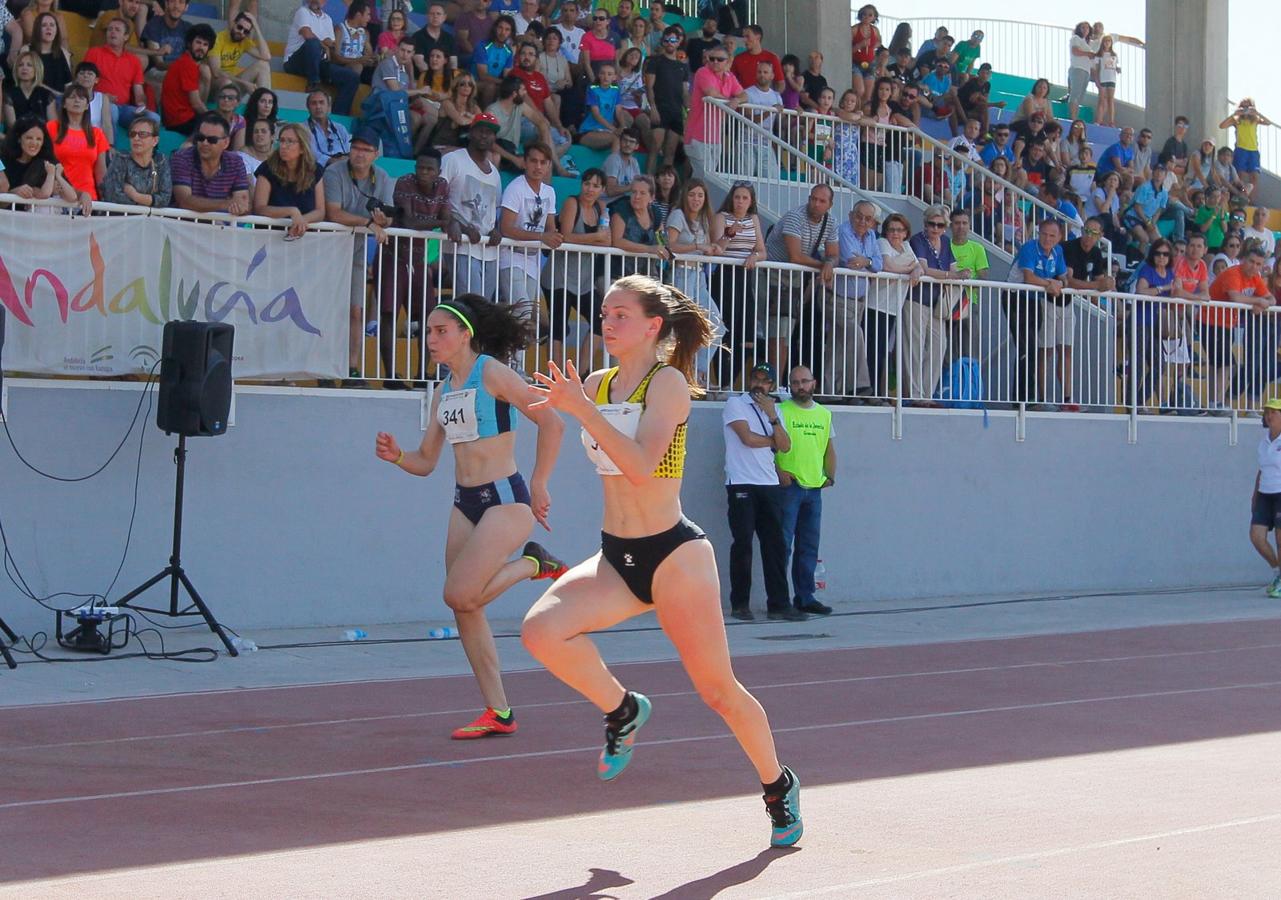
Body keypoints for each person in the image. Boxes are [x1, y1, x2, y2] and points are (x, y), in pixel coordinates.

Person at [521, 276, 802, 847]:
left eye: (620, 314)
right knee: (540, 632)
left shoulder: (667, 383)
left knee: (717, 690)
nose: (607, 323)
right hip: (616, 556)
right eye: (604, 313)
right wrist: (546, 460)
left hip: (674, 556)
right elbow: (566, 422)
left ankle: (778, 785)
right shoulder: (596, 384)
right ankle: (623, 709)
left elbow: (642, 465)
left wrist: (584, 412)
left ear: (653, 326)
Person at [376, 295, 567, 738]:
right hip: (465, 503)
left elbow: (552, 423)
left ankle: (533, 563)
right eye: (427, 331)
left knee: (458, 594)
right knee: (466, 607)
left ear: (466, 335)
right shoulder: (444, 391)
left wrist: (540, 482)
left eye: (441, 331)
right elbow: (426, 461)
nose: (431, 339)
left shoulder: (492, 373)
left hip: (505, 499)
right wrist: (398, 456)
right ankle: (498, 711)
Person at [324, 129, 394, 381]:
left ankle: (351, 368)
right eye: (356, 148)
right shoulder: (334, 172)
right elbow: (333, 213)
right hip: (328, 250)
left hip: (357, 251)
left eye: (366, 150)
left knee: (356, 310)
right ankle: (324, 366)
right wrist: (369, 223)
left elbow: (388, 217)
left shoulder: (382, 177)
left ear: (376, 154)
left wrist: (382, 220)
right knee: (328, 310)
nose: (359, 154)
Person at [377, 148, 451, 386]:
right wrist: (443, 223)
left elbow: (447, 216)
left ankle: (421, 375)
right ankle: (390, 376)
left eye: (429, 169)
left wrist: (455, 224)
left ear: (438, 171)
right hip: (394, 254)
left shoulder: (443, 186)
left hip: (419, 258)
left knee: (429, 317)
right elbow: (409, 221)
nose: (423, 173)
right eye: (420, 167)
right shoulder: (404, 182)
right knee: (389, 313)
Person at [763, 184, 840, 378]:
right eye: (813, 198)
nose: (816, 203)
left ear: (830, 205)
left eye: (822, 201)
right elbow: (795, 256)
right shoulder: (795, 217)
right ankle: (772, 383)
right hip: (772, 274)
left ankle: (778, 382)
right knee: (776, 332)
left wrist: (830, 263)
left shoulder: (830, 222)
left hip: (793, 278)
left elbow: (834, 254)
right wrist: (824, 265)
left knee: (786, 333)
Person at [775, 365, 834, 616]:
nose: (800, 386)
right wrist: (778, 471)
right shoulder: (781, 410)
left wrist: (830, 476)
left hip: (814, 489)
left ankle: (805, 597)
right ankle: (779, 600)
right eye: (795, 382)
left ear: (814, 383)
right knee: (783, 546)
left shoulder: (824, 414)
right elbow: (770, 446)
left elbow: (829, 448)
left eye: (805, 381)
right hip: (790, 488)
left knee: (808, 546)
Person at [543, 166, 610, 364]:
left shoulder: (600, 208)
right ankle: (554, 377)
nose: (590, 189)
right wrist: (595, 237)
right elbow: (566, 237)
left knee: (600, 321)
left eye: (595, 186)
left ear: (602, 190)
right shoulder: (572, 203)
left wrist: (596, 238)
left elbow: (607, 241)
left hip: (583, 280)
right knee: (558, 327)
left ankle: (581, 373)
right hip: (559, 276)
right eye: (587, 183)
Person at [441, 113, 504, 300]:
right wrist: (460, 226)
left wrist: (495, 230)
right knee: (472, 302)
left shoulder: (495, 173)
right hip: (462, 244)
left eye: (489, 132)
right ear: (470, 133)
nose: (484, 135)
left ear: (494, 138)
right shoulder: (453, 159)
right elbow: (440, 197)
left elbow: (494, 210)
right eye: (480, 130)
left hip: (488, 249)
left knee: (484, 306)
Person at [1006, 219, 1067, 406]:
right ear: (1038, 233)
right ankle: (1022, 400)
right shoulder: (1029, 248)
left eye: (1052, 235)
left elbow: (1064, 277)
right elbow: (1029, 278)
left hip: (1034, 301)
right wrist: (1051, 283)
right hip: (1016, 298)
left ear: (1059, 237)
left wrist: (1060, 283)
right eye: (1044, 234)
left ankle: (1029, 399)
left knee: (1033, 348)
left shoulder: (1058, 251)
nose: (1047, 239)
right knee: (1026, 348)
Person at [711, 181, 765, 386]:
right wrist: (729, 233)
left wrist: (754, 256)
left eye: (745, 198)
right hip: (724, 277)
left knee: (745, 331)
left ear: (751, 201)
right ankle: (721, 380)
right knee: (726, 328)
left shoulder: (753, 219)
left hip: (745, 277)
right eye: (737, 197)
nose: (740, 202)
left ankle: (731, 381)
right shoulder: (721, 217)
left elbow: (762, 250)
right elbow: (717, 249)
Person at [1204, 247, 1271, 412]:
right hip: (1211, 321)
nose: (1254, 266)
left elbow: (1271, 299)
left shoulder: (1255, 277)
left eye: (1258, 264)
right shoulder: (1233, 273)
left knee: (1220, 364)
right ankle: (1217, 403)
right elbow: (1236, 297)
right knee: (1225, 363)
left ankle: (1215, 402)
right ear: (1243, 260)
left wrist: (1263, 304)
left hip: (1227, 324)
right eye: (1251, 261)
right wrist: (1258, 301)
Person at [497, 140, 561, 313]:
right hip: (510, 258)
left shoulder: (549, 192)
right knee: (522, 312)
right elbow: (506, 229)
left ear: (549, 165)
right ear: (524, 162)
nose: (538, 166)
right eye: (533, 161)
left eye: (543, 162)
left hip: (533, 260)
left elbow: (550, 226)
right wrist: (542, 237)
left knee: (526, 314)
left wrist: (554, 236)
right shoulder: (515, 188)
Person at [283, 0, 360, 115]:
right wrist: (323, 45)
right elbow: (307, 34)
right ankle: (314, 84)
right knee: (313, 43)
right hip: (295, 61)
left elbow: (331, 43)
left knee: (352, 77)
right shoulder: (302, 11)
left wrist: (329, 45)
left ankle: (337, 116)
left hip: (318, 62)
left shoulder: (327, 19)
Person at [251, 121, 325, 238]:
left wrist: (301, 220)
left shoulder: (315, 170)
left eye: (290, 141)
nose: (284, 146)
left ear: (302, 148)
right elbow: (259, 208)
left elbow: (320, 211)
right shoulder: (267, 168)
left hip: (305, 237)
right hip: (269, 236)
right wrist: (291, 211)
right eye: (282, 140)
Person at [83, 18, 154, 132]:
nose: (112, 32)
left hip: (124, 108)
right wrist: (103, 97)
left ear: (126, 37)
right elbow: (83, 82)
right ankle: (110, 144)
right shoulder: (94, 53)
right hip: (98, 104)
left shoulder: (134, 61)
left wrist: (141, 105)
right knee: (112, 109)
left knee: (153, 118)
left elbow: (139, 92)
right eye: (110, 29)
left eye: (117, 30)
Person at [643, 24, 689, 175]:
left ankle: (665, 185)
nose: (670, 43)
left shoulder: (683, 67)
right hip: (660, 109)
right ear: (662, 42)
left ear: (678, 42)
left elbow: (685, 92)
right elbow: (649, 87)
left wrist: (688, 112)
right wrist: (653, 108)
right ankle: (648, 182)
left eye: (673, 40)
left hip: (676, 112)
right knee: (655, 148)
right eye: (667, 40)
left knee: (670, 152)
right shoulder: (655, 61)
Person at [0, 117, 81, 203]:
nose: (34, 143)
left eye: (39, 139)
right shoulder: (4, 161)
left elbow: (73, 192)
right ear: (19, 138)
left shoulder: (48, 164)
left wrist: (84, 195)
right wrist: (14, 192)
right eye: (29, 138)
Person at [100, 113, 171, 208]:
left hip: (148, 217)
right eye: (132, 134)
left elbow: (165, 199)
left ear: (155, 141)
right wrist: (148, 203)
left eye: (142, 134)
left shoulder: (161, 162)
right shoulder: (121, 159)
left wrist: (136, 196)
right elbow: (112, 196)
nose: (136, 138)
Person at [160, 23, 214, 135]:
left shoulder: (188, 62)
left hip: (180, 118)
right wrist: (213, 118)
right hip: (179, 121)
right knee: (217, 128)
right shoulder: (187, 64)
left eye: (205, 44)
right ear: (189, 43)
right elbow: (196, 104)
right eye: (198, 42)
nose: (201, 48)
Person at [1251, 398, 1281, 597]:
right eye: (1267, 412)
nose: (1269, 416)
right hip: (1264, 494)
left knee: (1280, 539)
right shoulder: (1264, 442)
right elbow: (1261, 470)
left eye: (1274, 412)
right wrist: (1255, 495)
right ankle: (1278, 572)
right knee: (1256, 537)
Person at [206, 10, 271, 95]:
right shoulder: (218, 39)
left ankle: (264, 100)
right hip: (213, 85)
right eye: (239, 27)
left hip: (232, 82)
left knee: (263, 65)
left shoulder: (244, 41)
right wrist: (244, 83)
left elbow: (266, 56)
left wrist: (257, 27)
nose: (241, 32)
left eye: (246, 31)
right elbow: (216, 72)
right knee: (226, 82)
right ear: (233, 23)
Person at [1220, 99, 1272, 198]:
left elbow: (1268, 122)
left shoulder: (1255, 120)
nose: (1245, 109)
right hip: (1241, 150)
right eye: (1243, 107)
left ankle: (1249, 199)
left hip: (1254, 151)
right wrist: (1234, 114)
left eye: (1248, 107)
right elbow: (1222, 126)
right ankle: (1239, 197)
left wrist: (1257, 113)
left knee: (1254, 177)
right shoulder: (1236, 120)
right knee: (1240, 176)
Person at [141, 0, 193, 98]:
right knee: (177, 76)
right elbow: (159, 63)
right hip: (155, 71)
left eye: (181, 2)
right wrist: (181, 67)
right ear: (166, 3)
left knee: (203, 72)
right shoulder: (154, 25)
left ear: (186, 7)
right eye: (173, 1)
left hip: (181, 71)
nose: (176, 6)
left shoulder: (188, 28)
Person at [3, 51, 56, 131]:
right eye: (20, 65)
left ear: (37, 69)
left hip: (42, 136)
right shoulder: (9, 93)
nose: (24, 68)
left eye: (29, 65)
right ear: (16, 69)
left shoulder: (47, 94)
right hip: (17, 136)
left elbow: (53, 125)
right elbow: (12, 125)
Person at [24, 11, 72, 94]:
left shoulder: (63, 52)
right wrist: (56, 94)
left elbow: (68, 85)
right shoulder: (27, 50)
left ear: (57, 30)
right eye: (44, 25)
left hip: (59, 99)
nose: (48, 28)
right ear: (37, 29)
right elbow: (25, 82)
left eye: (52, 25)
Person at [303, 89, 351, 168]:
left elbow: (349, 151)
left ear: (329, 106)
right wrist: (331, 161)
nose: (318, 107)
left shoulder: (340, 128)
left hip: (343, 168)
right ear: (308, 107)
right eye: (314, 103)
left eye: (321, 102)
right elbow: (311, 154)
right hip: (317, 170)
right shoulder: (303, 128)